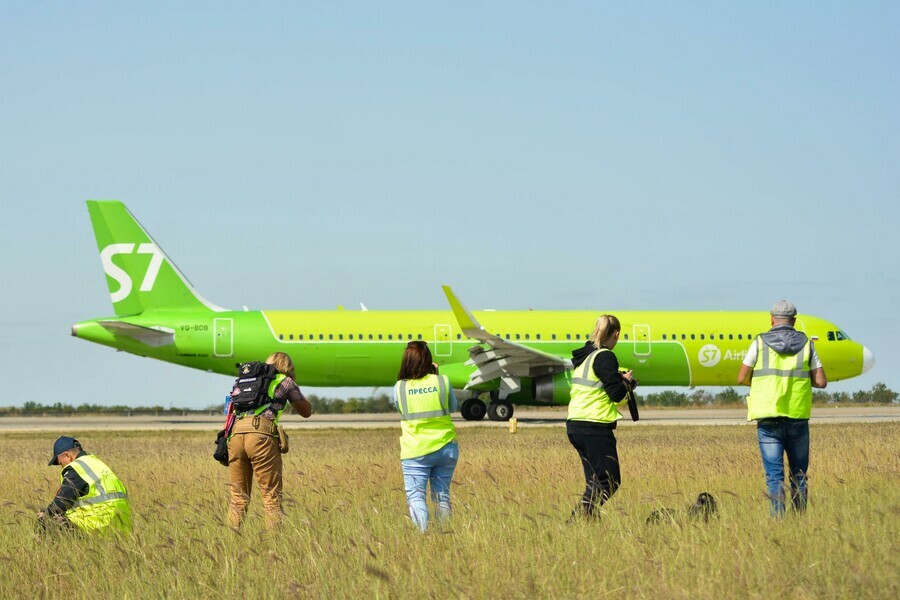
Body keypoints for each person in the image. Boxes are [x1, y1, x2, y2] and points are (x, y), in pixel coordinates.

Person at [737, 300, 827, 516]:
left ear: (772, 319)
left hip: (767, 417)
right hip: (797, 416)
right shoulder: (807, 344)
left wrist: (760, 382)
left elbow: (741, 378)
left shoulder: (759, 343)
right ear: (794, 321)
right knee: (799, 475)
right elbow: (822, 382)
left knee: (774, 476)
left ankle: (778, 520)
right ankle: (800, 519)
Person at [228, 351, 312, 529]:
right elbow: (306, 411)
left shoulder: (246, 381)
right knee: (271, 498)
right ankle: (273, 546)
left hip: (235, 437)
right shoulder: (285, 381)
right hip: (261, 437)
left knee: (237, 499)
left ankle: (230, 541)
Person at [567, 315, 635, 518]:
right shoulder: (605, 357)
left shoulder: (586, 357)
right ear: (616, 334)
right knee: (610, 481)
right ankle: (578, 518)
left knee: (595, 482)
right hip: (594, 427)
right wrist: (626, 383)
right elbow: (616, 395)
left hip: (576, 426)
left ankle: (586, 521)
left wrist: (616, 378)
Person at [392, 341, 459, 532]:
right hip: (446, 448)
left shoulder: (399, 387)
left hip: (416, 450)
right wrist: (434, 378)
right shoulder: (442, 381)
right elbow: (452, 407)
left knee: (416, 496)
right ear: (429, 361)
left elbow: (400, 409)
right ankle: (445, 535)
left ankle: (423, 536)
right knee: (442, 496)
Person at [37, 436, 132, 535]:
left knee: (46, 521)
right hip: (122, 525)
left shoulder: (76, 468)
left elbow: (62, 502)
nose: (62, 467)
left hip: (98, 523)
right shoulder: (96, 463)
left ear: (67, 456)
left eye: (61, 463)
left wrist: (45, 512)